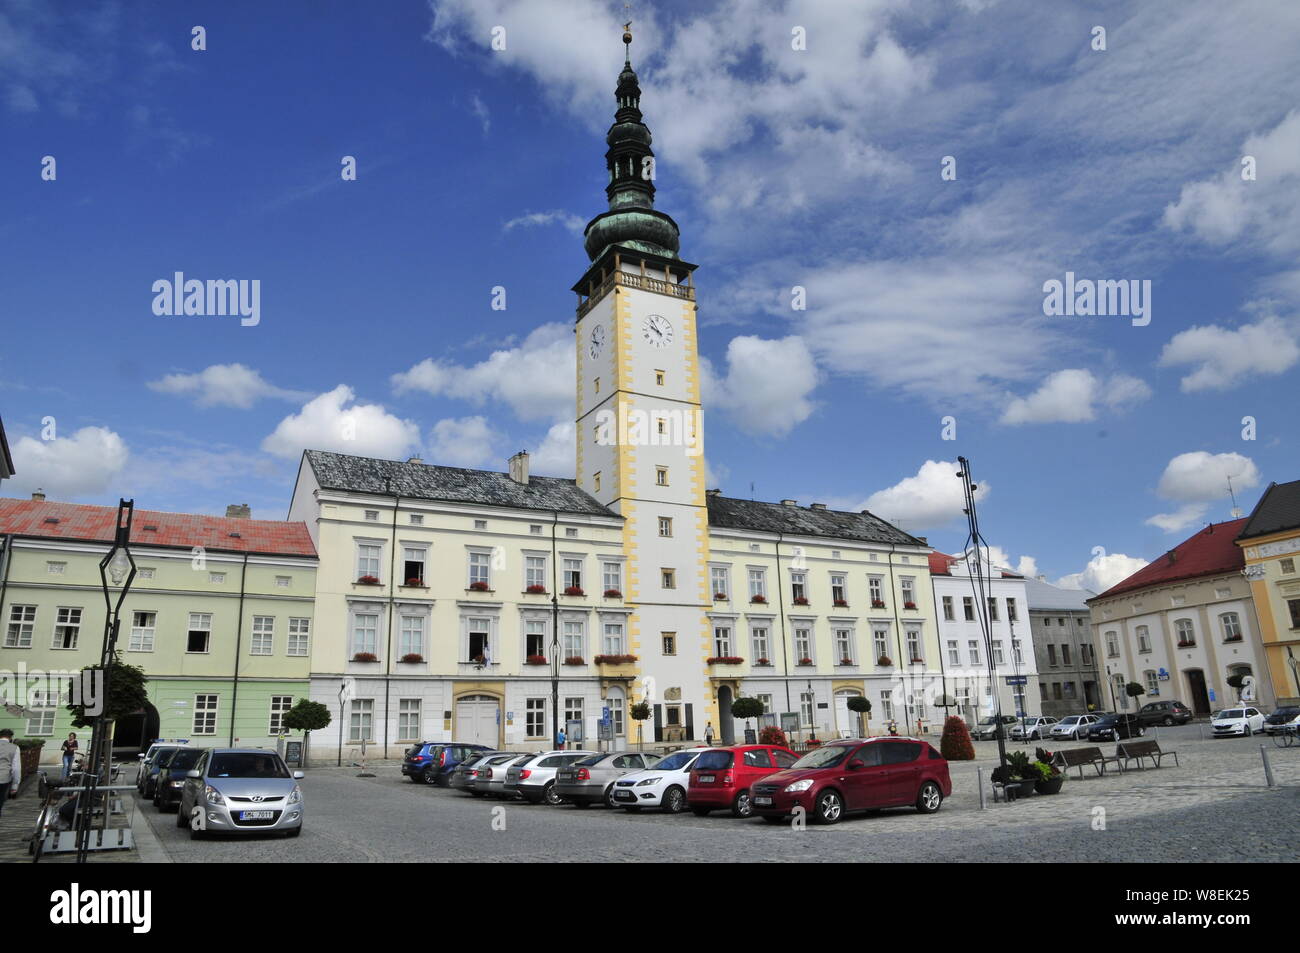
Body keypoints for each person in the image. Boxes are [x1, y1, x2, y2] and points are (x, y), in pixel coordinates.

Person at [0, 728, 21, 818]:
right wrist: (15, 785)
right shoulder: (15, 748)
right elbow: (16, 768)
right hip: (3, 778)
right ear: (10, 737)